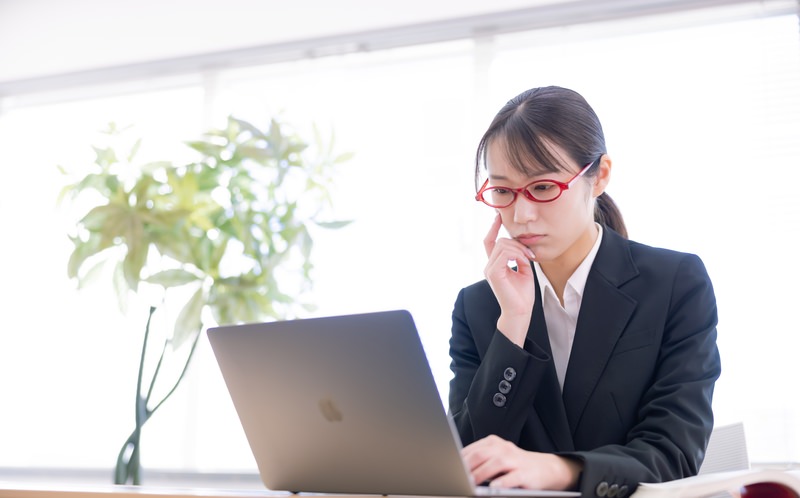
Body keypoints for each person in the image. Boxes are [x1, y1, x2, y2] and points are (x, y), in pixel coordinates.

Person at [448, 86, 721, 497]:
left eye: (543, 188)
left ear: (600, 176)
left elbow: (673, 454)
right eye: (503, 191)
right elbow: (468, 459)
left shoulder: (675, 283)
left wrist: (559, 470)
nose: (521, 215)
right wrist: (514, 324)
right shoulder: (480, 306)